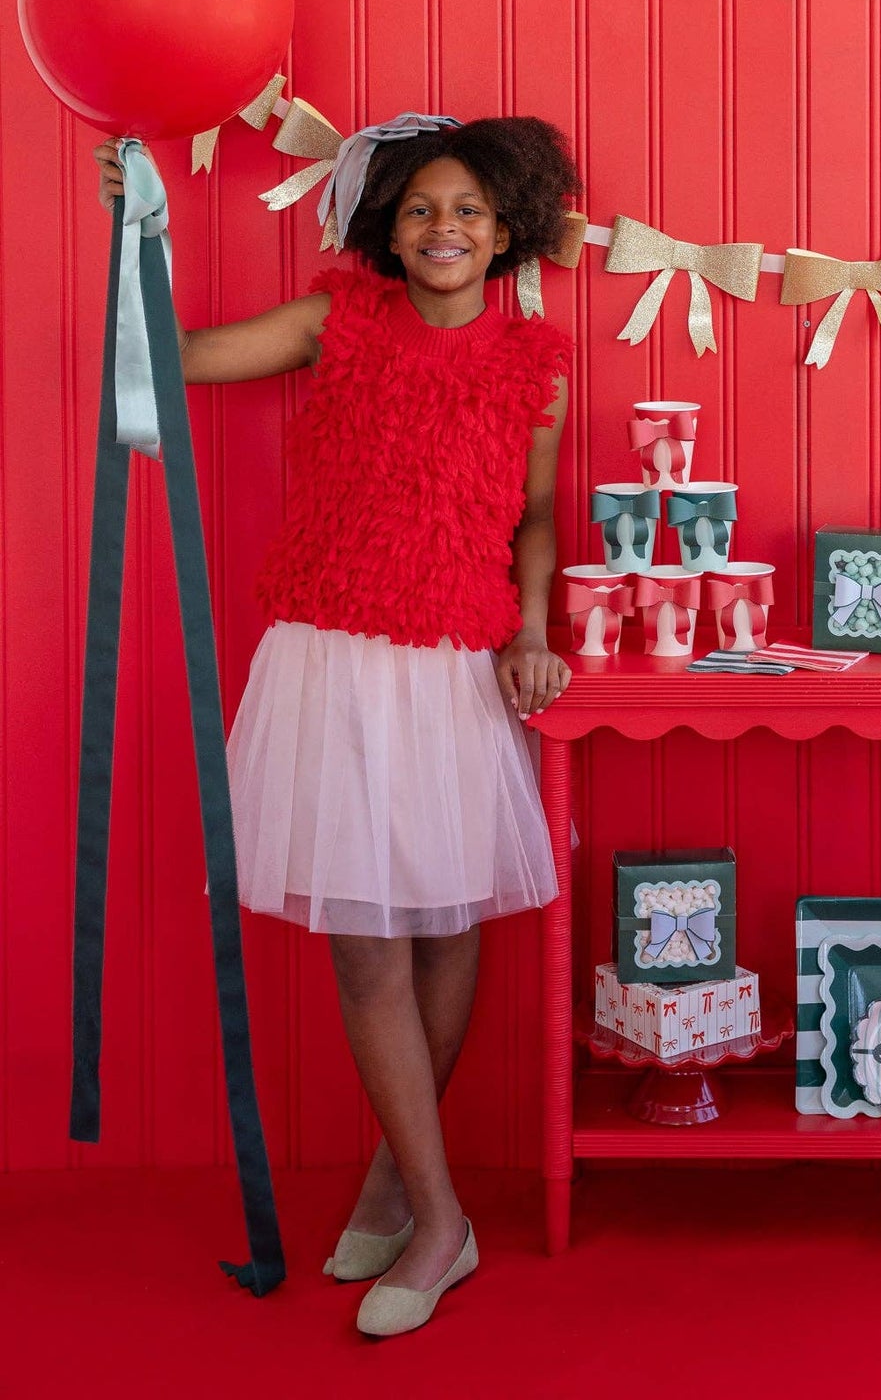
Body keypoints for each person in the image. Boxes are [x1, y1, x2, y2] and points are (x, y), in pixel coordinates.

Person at [95, 116, 577, 1336]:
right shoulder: (335, 322)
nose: (443, 229)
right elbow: (172, 357)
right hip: (332, 649)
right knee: (366, 945)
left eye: (466, 209)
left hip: (452, 663)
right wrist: (139, 234)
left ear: (505, 229)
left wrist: (530, 629)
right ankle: (440, 1216)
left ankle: (400, 1186)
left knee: (443, 922)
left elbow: (533, 517)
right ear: (386, 227)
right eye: (419, 208)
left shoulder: (536, 368)